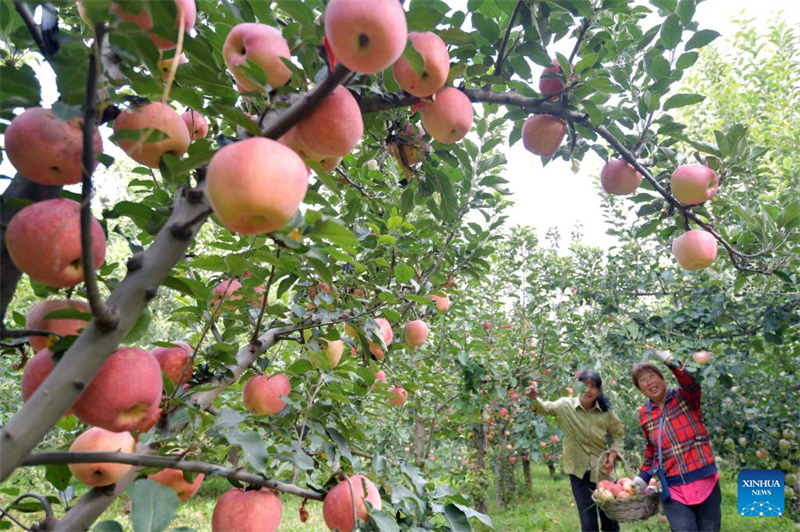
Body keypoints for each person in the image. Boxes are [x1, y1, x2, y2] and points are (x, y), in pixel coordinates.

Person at [631, 350, 721, 532]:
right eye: (642, 380)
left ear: (663, 379)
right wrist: (642, 478)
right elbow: (652, 450)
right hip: (673, 487)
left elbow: (690, 382)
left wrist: (667, 359)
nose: (649, 382)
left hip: (704, 479)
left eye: (652, 376)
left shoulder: (685, 397)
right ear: (640, 389)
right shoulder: (645, 415)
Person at [527, 371, 624, 532]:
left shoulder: (606, 413)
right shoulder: (565, 406)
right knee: (588, 523)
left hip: (603, 474)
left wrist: (613, 454)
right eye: (584, 385)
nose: (588, 390)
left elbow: (618, 435)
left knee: (610, 521)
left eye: (593, 386)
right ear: (576, 386)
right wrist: (533, 398)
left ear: (599, 391)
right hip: (578, 474)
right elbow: (544, 407)